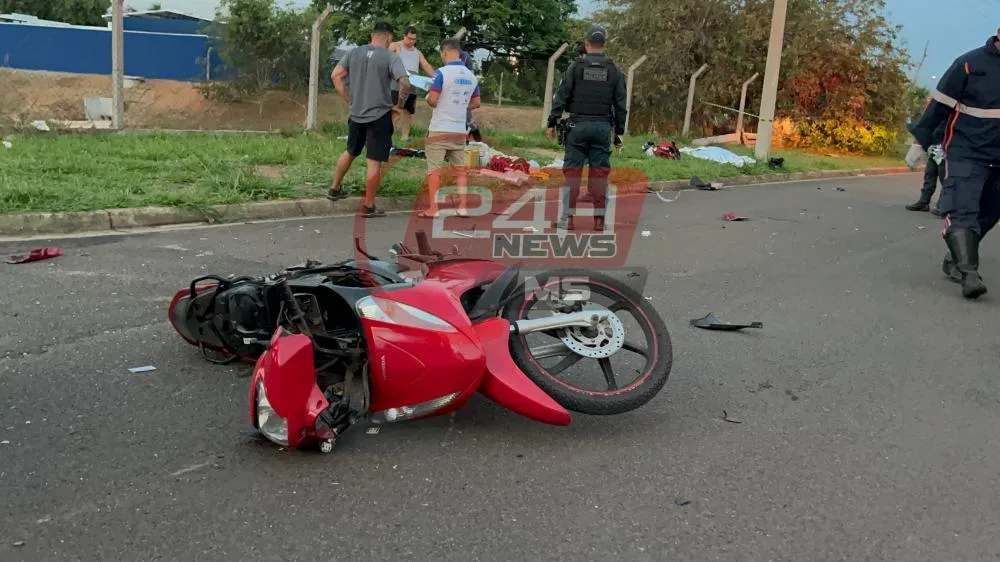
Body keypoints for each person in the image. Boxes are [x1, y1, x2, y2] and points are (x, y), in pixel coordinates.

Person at [908, 28, 1000, 299]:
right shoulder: (968, 64)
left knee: (991, 211)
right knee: (962, 209)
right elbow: (937, 108)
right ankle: (968, 272)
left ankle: (956, 257)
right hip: (966, 152)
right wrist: (919, 143)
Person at [545, 24, 627, 231]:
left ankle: (567, 219)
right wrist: (619, 132)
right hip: (602, 127)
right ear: (604, 44)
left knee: (572, 174)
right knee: (599, 174)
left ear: (586, 43)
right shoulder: (614, 70)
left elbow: (561, 95)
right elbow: (620, 105)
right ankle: (599, 220)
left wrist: (552, 121)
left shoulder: (576, 67)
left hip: (578, 127)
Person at [328, 21, 412, 218]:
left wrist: (348, 98)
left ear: (372, 35)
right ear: (389, 38)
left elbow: (336, 76)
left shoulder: (353, 53)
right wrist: (399, 106)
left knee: (351, 151)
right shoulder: (391, 57)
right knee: (374, 161)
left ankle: (334, 188)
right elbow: (405, 83)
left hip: (356, 114)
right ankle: (368, 205)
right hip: (379, 116)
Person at [417, 38, 481, 218]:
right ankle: (462, 207)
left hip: (439, 128)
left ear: (444, 52)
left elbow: (433, 100)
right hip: (459, 130)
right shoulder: (471, 76)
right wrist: (460, 107)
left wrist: (429, 97)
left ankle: (433, 209)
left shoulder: (441, 73)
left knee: (434, 170)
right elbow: (476, 103)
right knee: (460, 170)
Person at [389, 26, 436, 142]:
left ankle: (405, 137)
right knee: (394, 109)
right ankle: (386, 135)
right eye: (409, 38)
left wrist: (437, 78)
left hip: (412, 83)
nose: (411, 41)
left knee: (408, 111)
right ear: (404, 36)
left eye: (414, 39)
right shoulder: (395, 45)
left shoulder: (417, 52)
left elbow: (426, 65)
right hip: (397, 82)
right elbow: (386, 58)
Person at [904, 118, 946, 216]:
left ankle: (943, 205)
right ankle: (924, 202)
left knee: (945, 180)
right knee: (929, 175)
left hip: (945, 148)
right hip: (934, 147)